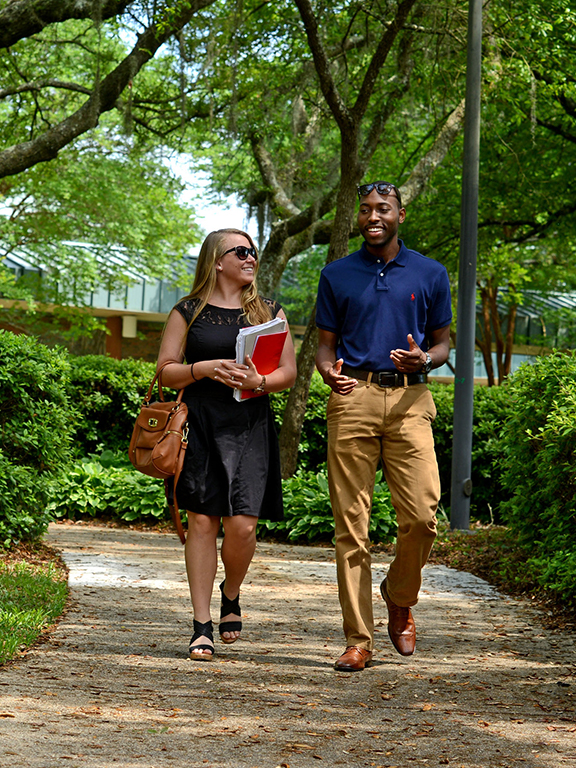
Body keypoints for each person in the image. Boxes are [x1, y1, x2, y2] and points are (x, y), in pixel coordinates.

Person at [315, 181, 452, 672]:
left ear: (401, 214)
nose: (374, 216)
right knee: (351, 526)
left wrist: (425, 359)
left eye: (384, 209)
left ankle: (399, 593)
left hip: (411, 397)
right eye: (367, 209)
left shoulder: (430, 273)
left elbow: (442, 343)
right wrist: (326, 371)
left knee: (422, 514)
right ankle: (358, 639)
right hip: (353, 398)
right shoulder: (336, 274)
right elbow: (325, 345)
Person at [157, 228, 297, 661]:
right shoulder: (189, 310)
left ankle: (231, 592)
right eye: (240, 251)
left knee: (243, 527)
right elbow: (165, 371)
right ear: (217, 261)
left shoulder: (269, 312)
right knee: (202, 523)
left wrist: (260, 381)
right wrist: (203, 369)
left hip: (250, 425)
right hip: (200, 424)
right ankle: (201, 626)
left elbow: (287, 372)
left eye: (252, 251)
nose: (250, 257)